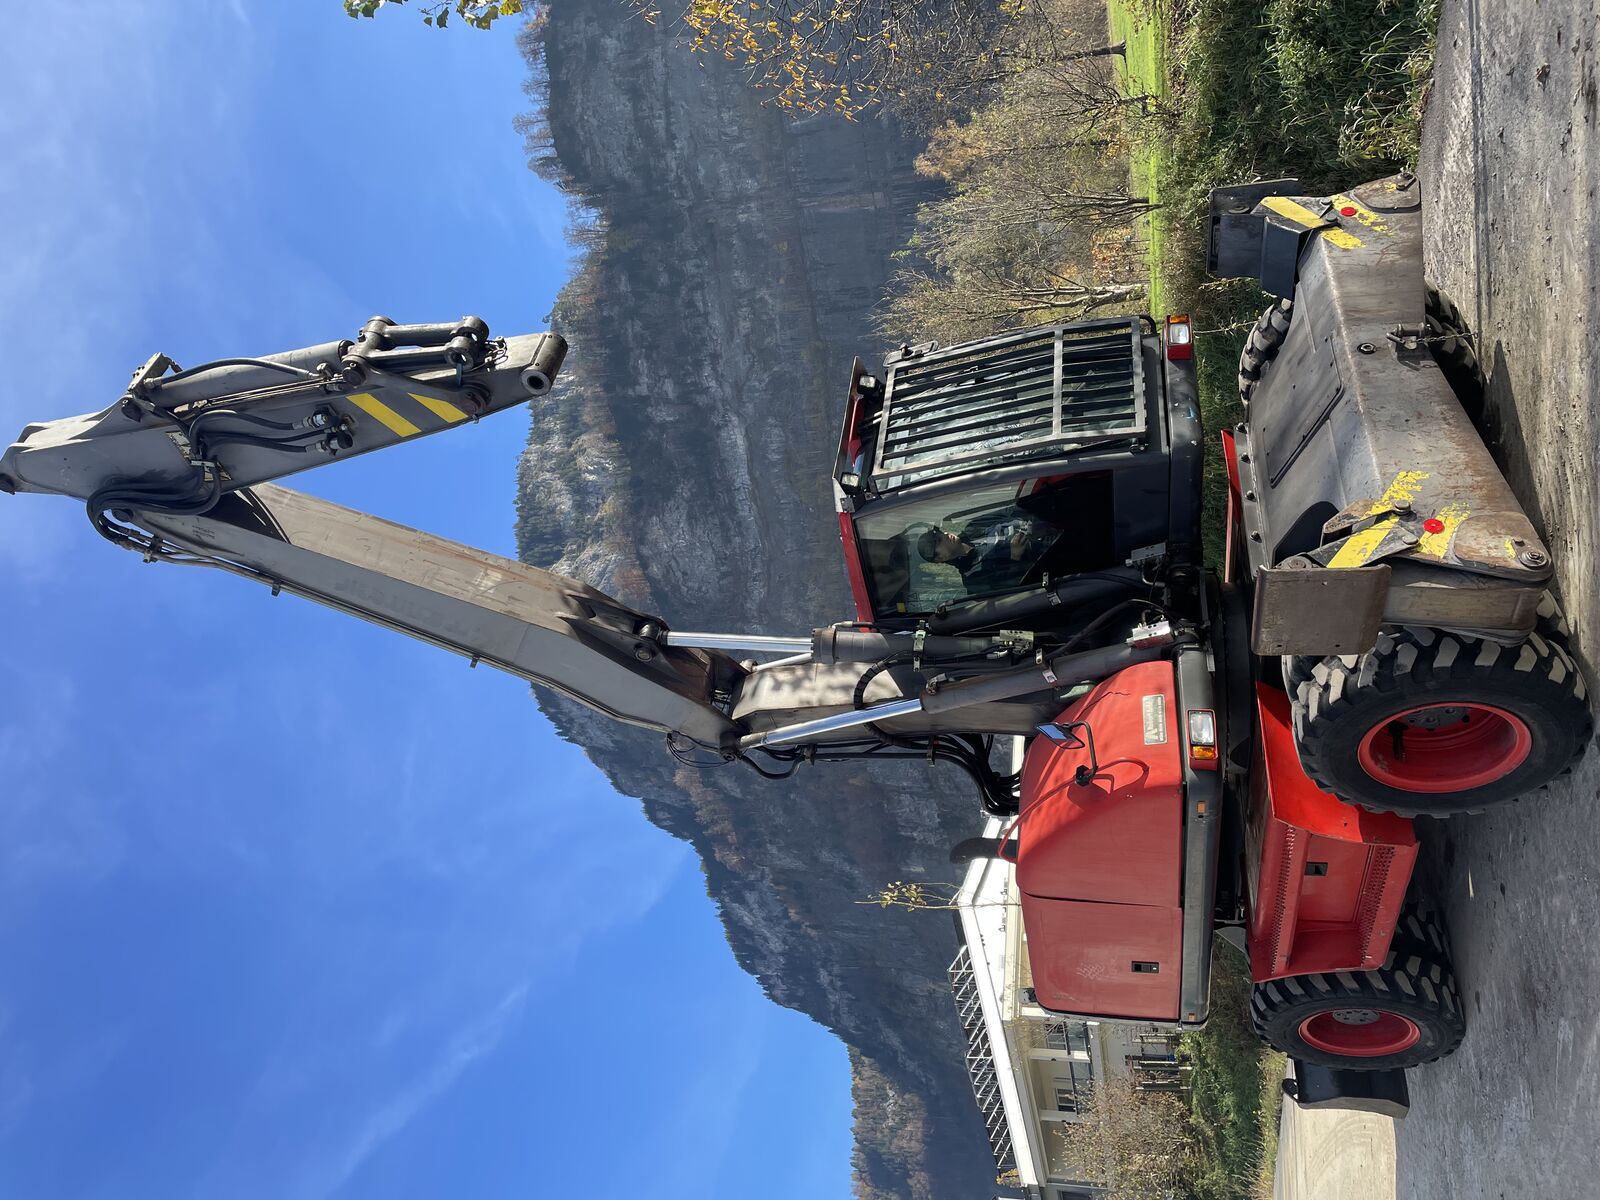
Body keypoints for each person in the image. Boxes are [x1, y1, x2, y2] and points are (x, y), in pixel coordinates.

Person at [916, 515, 1035, 593]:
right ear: (940, 558)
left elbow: (1008, 512)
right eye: (939, 540)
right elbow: (1012, 590)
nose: (945, 535)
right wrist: (1015, 556)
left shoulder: (973, 527)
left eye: (941, 533)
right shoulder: (973, 579)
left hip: (1036, 521)